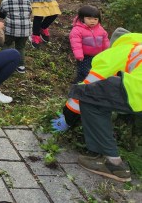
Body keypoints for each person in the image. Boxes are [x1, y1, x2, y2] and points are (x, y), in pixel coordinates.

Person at [50, 28, 140, 183]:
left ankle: (113, 163)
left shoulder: (119, 51)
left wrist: (68, 116)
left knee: (91, 97)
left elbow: (87, 88)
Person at [69, 5, 110, 83]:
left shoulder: (100, 29)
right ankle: (78, 86)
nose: (92, 21)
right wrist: (79, 55)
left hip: (98, 55)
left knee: (96, 71)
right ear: (82, 18)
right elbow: (76, 44)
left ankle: (91, 86)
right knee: (84, 73)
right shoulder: (77, 30)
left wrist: (107, 51)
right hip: (84, 57)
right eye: (89, 19)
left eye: (95, 19)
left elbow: (105, 41)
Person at [0, 0, 32, 73]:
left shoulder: (5, 2)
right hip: (25, 30)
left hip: (11, 29)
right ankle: (21, 66)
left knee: (6, 44)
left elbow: (2, 15)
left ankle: (3, 63)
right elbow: (29, 13)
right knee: (20, 47)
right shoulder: (28, 2)